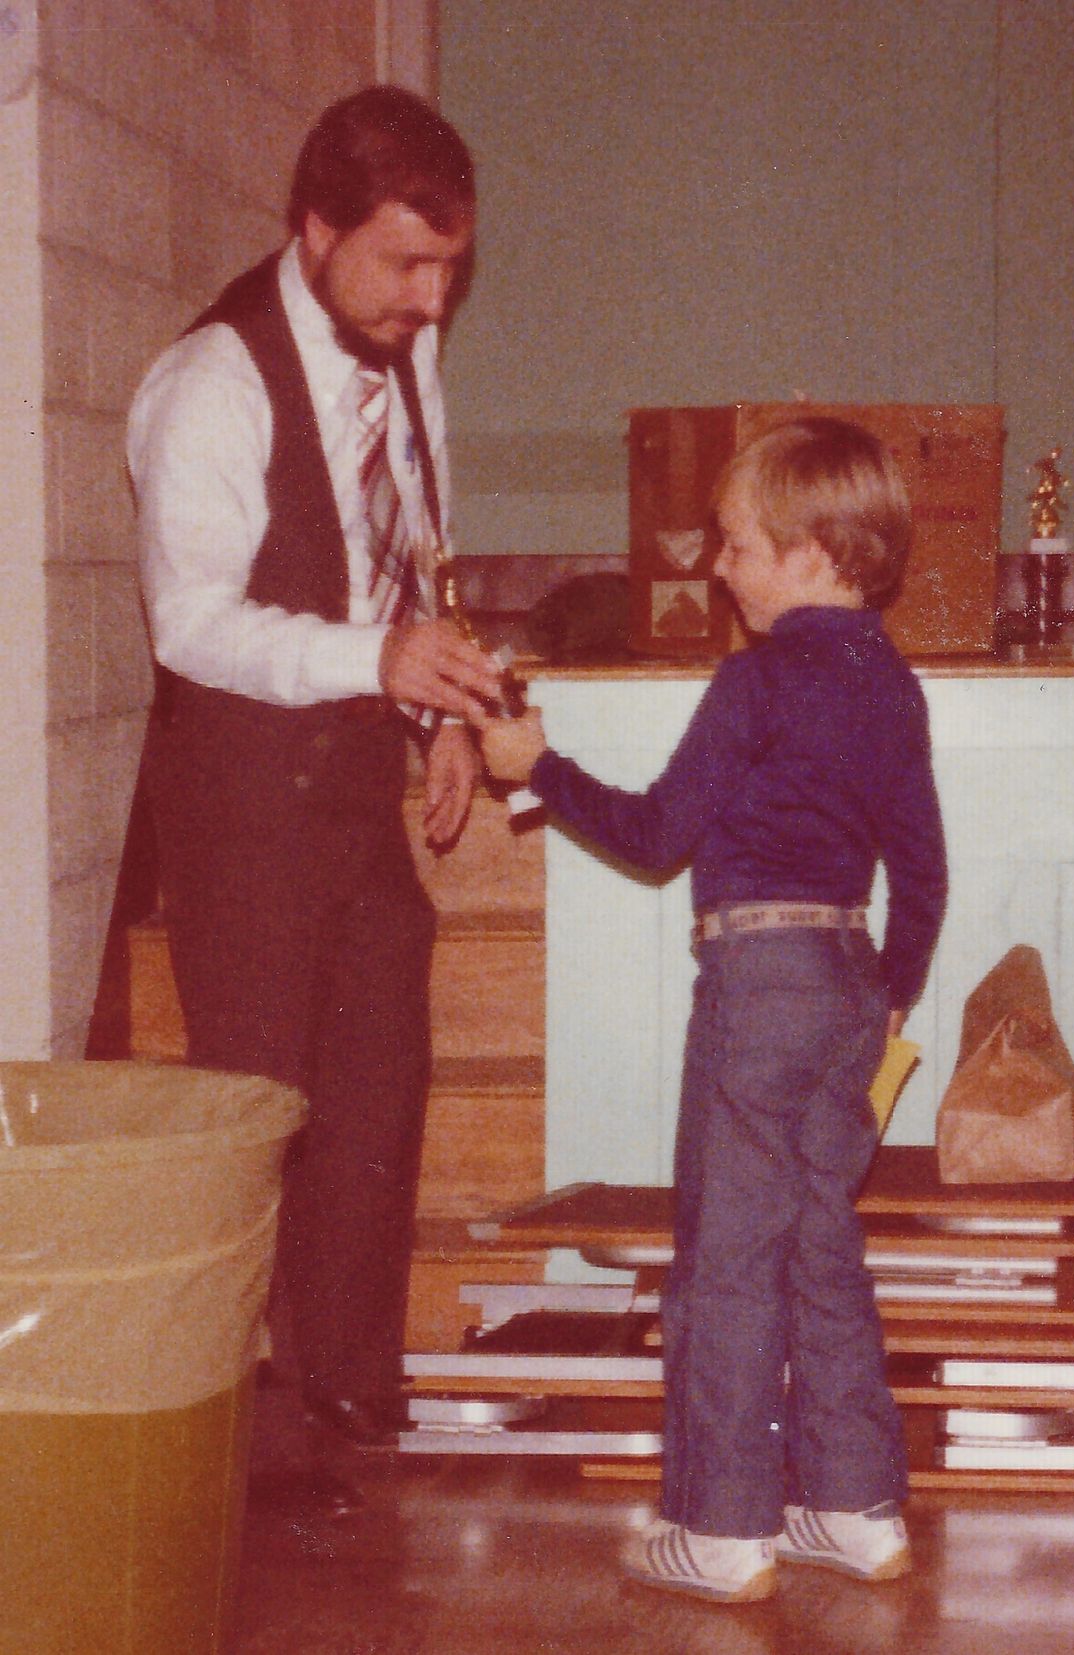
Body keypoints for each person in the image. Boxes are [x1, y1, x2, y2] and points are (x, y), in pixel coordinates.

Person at [481, 417, 947, 1601]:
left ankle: (722, 1525)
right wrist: (881, 1005)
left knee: (727, 1262)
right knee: (820, 1250)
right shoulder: (892, 686)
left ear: (805, 549)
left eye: (735, 543)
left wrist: (537, 766)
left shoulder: (754, 679)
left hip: (756, 985)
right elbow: (926, 875)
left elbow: (651, 833)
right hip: (850, 983)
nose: (717, 566)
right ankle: (853, 1504)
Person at [127, 86, 503, 1515]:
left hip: (352, 774)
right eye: (406, 264)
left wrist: (429, 709)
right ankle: (261, 1428)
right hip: (235, 796)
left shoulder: (403, 350)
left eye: (450, 271)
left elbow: (405, 542)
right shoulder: (208, 384)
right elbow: (194, 625)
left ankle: (352, 1377)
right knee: (263, 1105)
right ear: (316, 227)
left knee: (374, 1090)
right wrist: (377, 657)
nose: (430, 298)